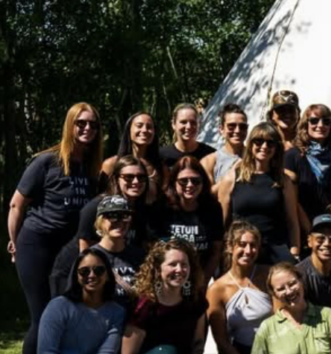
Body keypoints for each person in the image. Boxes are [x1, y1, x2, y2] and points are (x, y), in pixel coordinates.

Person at [10, 102, 103, 354]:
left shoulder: (91, 168)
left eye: (92, 124)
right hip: (35, 243)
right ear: (70, 126)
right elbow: (17, 204)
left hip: (68, 251)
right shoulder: (47, 162)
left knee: (64, 312)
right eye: (81, 123)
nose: (87, 129)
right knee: (42, 315)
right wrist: (13, 242)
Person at [202, 222, 272, 354]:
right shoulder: (217, 289)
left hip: (272, 348)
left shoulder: (268, 275)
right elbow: (221, 340)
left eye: (253, 245)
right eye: (242, 244)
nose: (248, 251)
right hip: (241, 351)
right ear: (229, 247)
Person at [216, 122, 301, 263]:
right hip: (242, 252)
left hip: (275, 252)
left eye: (270, 143)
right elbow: (221, 223)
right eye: (258, 141)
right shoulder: (232, 178)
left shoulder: (283, 181)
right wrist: (222, 255)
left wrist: (295, 252)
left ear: (276, 148)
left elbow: (292, 221)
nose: (264, 147)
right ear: (250, 144)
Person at [49, 195, 145, 304]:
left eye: (125, 216)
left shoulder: (140, 256)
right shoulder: (89, 259)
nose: (119, 221)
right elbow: (75, 298)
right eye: (112, 216)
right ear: (100, 221)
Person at [155, 156, 225, 294]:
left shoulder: (212, 209)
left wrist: (202, 282)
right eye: (183, 181)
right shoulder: (162, 208)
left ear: (203, 183)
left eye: (195, 181)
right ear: (174, 182)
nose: (190, 185)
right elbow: (152, 247)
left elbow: (216, 251)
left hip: (199, 282)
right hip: (166, 282)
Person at [75, 154, 155, 253]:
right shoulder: (97, 207)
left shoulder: (141, 209)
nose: (136, 181)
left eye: (141, 177)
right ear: (116, 179)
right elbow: (85, 252)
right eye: (128, 177)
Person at [285, 103, 331, 235]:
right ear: (306, 124)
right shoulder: (292, 156)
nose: (320, 125)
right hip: (303, 231)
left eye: (326, 121)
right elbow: (292, 200)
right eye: (314, 121)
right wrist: (309, 230)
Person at [101, 112, 163, 194]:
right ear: (129, 129)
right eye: (139, 126)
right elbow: (100, 196)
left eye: (149, 127)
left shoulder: (160, 168)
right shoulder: (111, 165)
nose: (144, 130)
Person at [159, 104, 216, 177]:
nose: (188, 127)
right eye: (183, 122)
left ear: (199, 124)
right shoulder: (162, 156)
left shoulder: (210, 155)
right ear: (173, 124)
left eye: (193, 122)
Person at [201, 104, 247, 185]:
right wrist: (232, 172)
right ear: (221, 129)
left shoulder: (256, 156)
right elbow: (209, 195)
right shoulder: (209, 162)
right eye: (231, 126)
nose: (237, 131)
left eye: (242, 126)